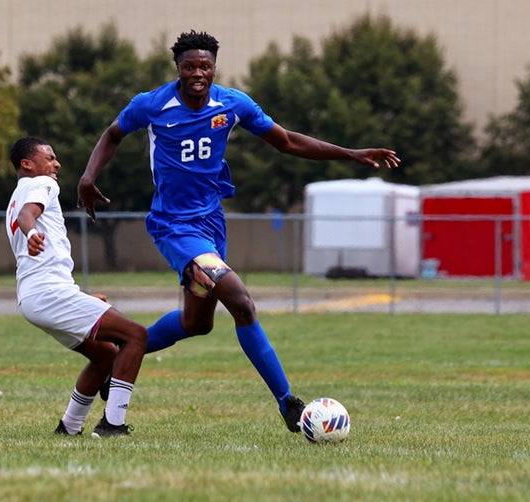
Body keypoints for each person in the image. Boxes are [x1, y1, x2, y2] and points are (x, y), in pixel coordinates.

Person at [78, 30, 400, 433]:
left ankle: (124, 351)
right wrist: (88, 177)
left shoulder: (232, 104)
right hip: (175, 227)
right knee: (241, 301)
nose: (198, 72)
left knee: (197, 323)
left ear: (215, 68)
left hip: (211, 224)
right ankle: (287, 403)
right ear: (177, 68)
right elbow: (113, 134)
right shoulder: (152, 104)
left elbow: (286, 141)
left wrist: (349, 153)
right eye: (190, 66)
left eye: (205, 66)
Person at [5, 136, 148, 437]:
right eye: (49, 157)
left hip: (36, 296)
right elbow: (27, 215)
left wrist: (76, 297)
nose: (56, 163)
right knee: (135, 335)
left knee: (105, 355)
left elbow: (24, 215)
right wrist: (32, 234)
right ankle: (113, 424)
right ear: (27, 164)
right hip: (48, 294)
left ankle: (69, 426)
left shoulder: (17, 194)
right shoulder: (43, 184)